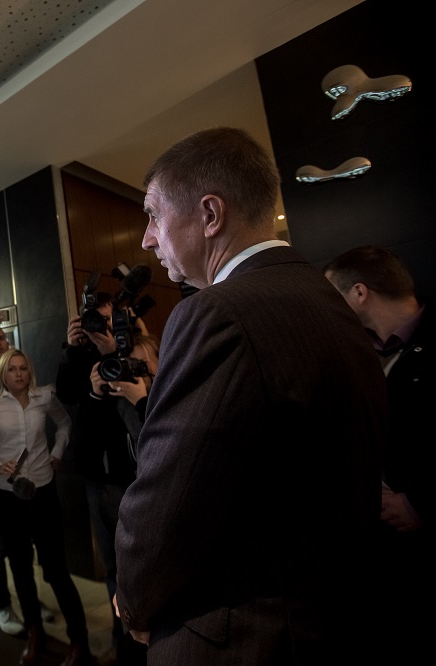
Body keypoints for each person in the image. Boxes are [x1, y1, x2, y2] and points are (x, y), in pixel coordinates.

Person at [113, 127, 388, 664]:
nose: (147, 238)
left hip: (237, 636)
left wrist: (135, 602)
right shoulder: (326, 300)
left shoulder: (217, 313)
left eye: (152, 214)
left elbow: (170, 497)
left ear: (210, 215)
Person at [324, 245, 429, 666]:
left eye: (333, 294)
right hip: (376, 548)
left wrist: (421, 505)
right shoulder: (356, 351)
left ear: (360, 293)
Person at [0, 348, 91, 666]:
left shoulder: (45, 397)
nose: (18, 374)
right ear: (3, 374)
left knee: (56, 570)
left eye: (23, 368)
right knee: (21, 569)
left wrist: (57, 453)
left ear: (30, 372)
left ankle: (79, 641)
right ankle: (35, 635)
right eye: (12, 369)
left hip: (43, 491)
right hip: (8, 495)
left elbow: (65, 424)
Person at [55, 293, 145, 666]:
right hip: (99, 480)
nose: (100, 330)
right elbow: (68, 396)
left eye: (107, 323)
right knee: (113, 570)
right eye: (94, 323)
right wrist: (75, 349)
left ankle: (145, 644)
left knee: (141, 566)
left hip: (136, 478)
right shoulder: (83, 357)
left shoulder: (137, 354)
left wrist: (113, 354)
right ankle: (122, 642)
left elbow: (142, 412)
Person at [0, 307, 51, 635]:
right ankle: (1, 603)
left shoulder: (16, 377)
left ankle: (29, 601)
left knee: (23, 544)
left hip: (28, 474)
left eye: (2, 337)